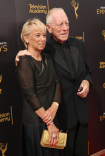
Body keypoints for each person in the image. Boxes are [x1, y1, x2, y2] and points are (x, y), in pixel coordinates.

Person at [15, 8, 93, 156]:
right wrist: (20, 54)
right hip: (60, 117)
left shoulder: (79, 44)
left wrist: (87, 82)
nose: (65, 28)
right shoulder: (44, 49)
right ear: (49, 28)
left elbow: (87, 72)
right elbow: (30, 59)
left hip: (82, 115)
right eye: (59, 24)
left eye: (67, 23)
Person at [16, 18, 61, 156]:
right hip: (36, 122)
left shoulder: (48, 58)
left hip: (51, 116)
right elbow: (30, 95)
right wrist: (50, 123)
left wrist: (54, 107)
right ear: (26, 38)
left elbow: (57, 83)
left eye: (44, 35)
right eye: (37, 35)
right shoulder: (24, 61)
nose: (42, 39)